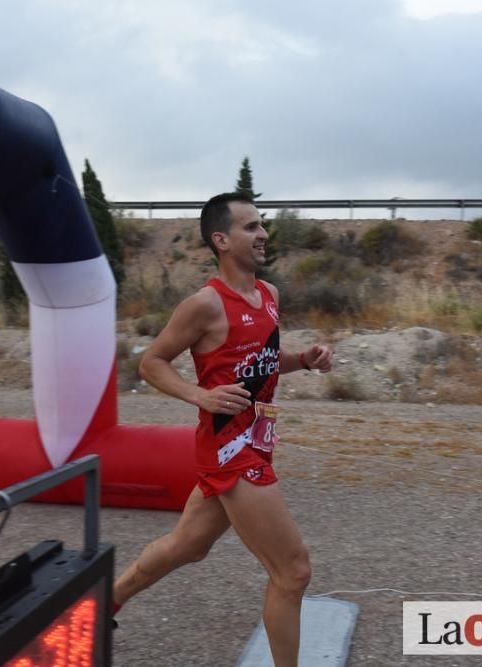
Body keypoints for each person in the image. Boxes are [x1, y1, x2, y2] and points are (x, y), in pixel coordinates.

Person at [113, 192, 333, 665]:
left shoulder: (269, 295)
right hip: (232, 451)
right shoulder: (205, 305)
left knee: (186, 547)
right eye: (251, 227)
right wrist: (200, 395)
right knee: (293, 572)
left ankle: (108, 598)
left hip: (256, 440)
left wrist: (304, 361)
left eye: (262, 225)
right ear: (221, 239)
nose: (263, 234)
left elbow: (264, 365)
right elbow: (152, 363)